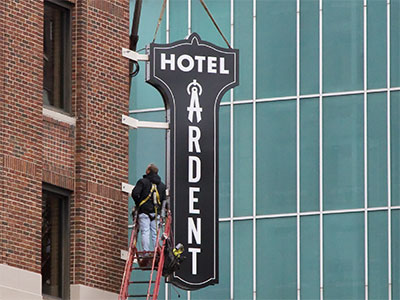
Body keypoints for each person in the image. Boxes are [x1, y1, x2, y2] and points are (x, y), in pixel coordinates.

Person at [132, 163, 166, 252]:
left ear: (148, 171)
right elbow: (164, 200)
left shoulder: (143, 182)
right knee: (155, 234)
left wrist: (139, 204)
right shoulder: (162, 186)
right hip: (156, 214)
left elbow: (135, 193)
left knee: (145, 232)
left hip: (144, 212)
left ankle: (146, 252)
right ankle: (156, 252)